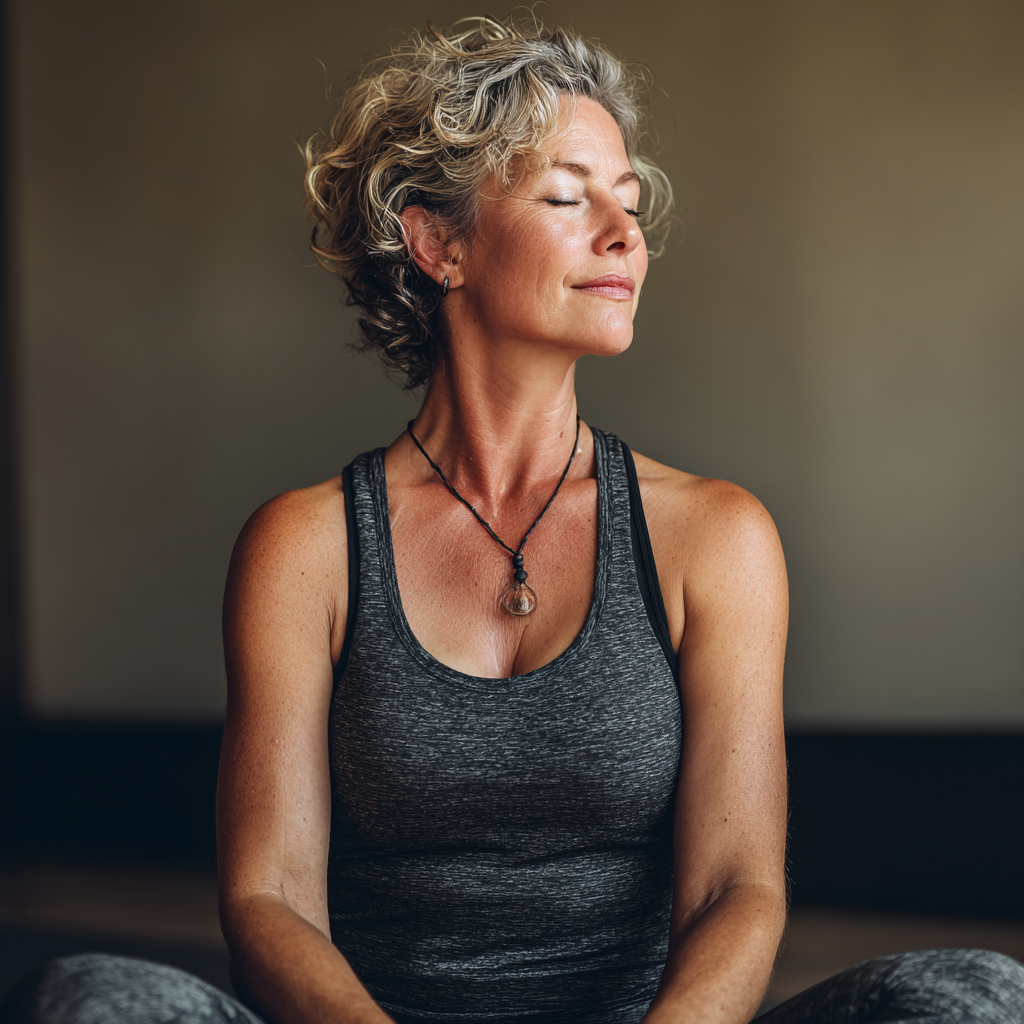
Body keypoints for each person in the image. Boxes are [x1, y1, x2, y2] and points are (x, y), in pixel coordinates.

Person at [4, 15, 1022, 1024]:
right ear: (439, 241)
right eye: (568, 199)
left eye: (628, 204)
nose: (624, 234)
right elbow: (269, 898)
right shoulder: (305, 546)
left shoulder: (714, 536)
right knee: (93, 995)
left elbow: (733, 888)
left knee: (973, 995)